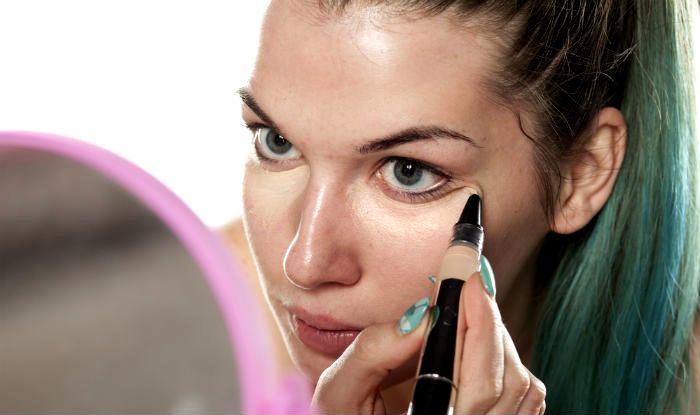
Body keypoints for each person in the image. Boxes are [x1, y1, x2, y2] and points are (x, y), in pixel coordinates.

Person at [219, 0, 700, 413]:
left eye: (408, 171)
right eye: (276, 141)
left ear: (580, 174)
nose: (304, 265)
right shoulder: (190, 321)